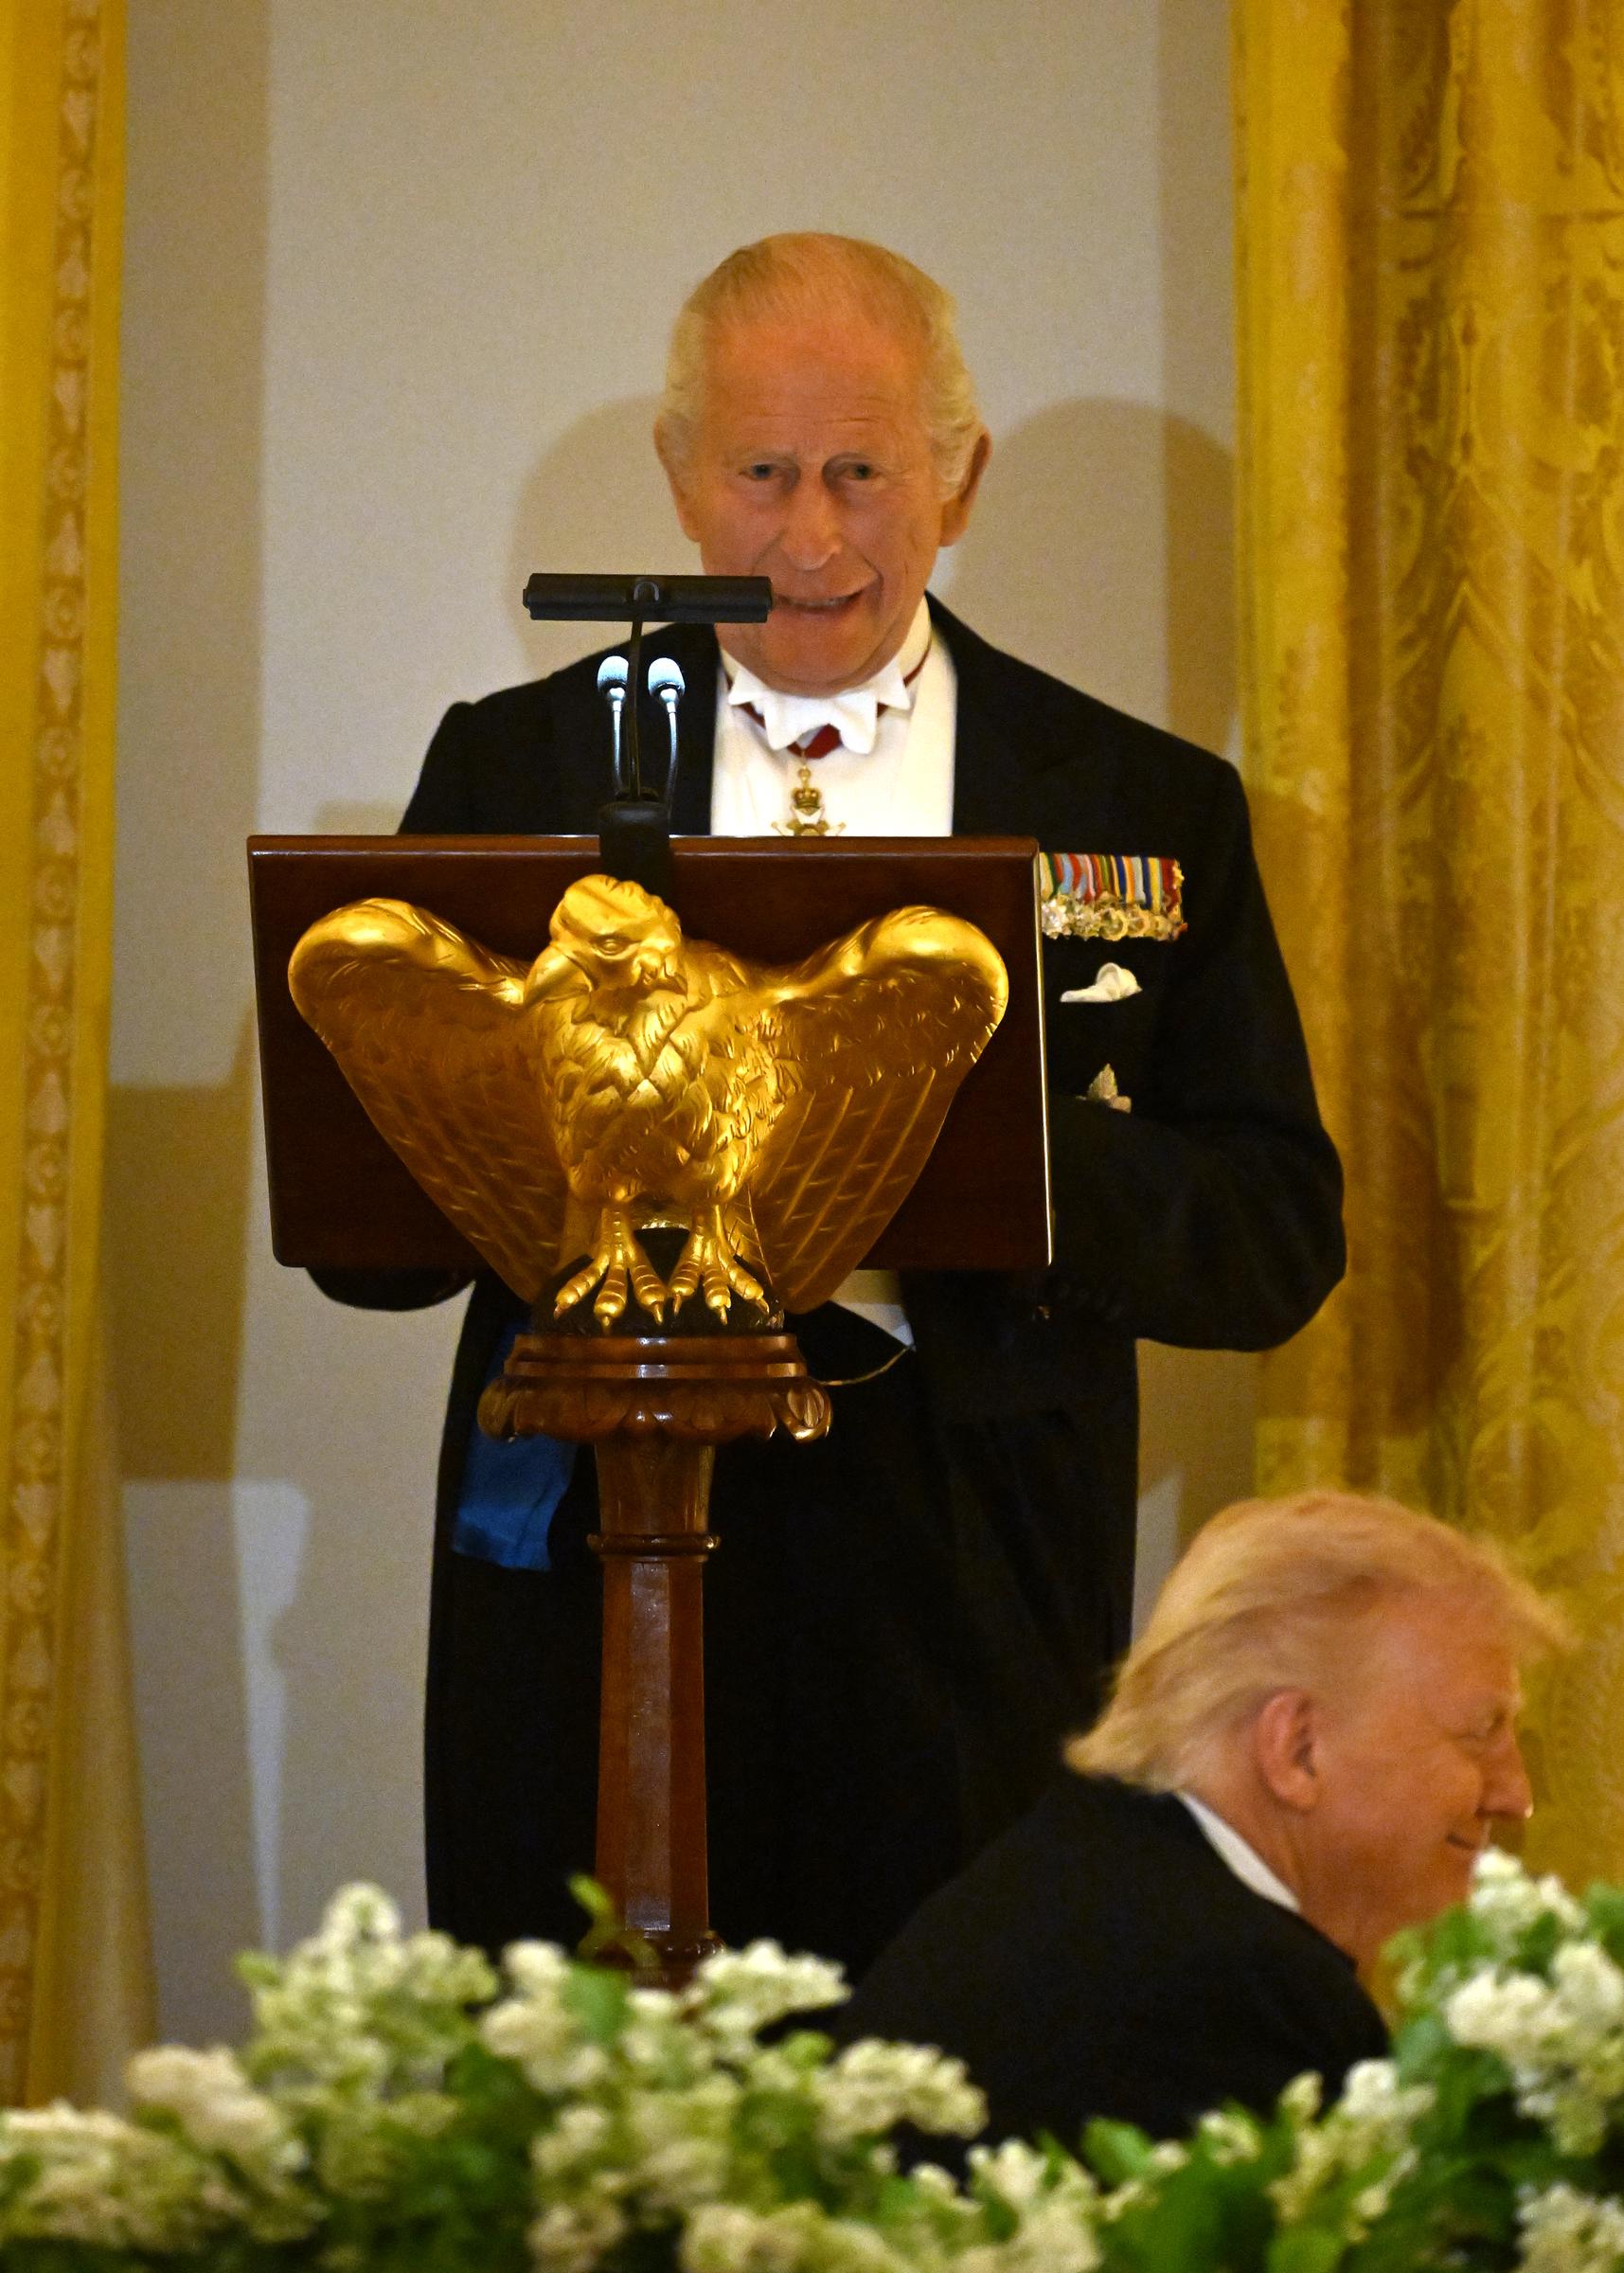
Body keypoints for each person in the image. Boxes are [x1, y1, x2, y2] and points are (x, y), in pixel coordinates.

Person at [320, 233, 1346, 1974]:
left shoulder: (1143, 797)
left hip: (964, 1553)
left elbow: (1269, 1244)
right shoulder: (518, 766)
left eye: (865, 474)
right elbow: (378, 1252)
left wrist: (1013, 1138)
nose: (812, 537)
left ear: (959, 477)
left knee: (949, 2094)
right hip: (587, 1542)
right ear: (679, 477)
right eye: (763, 473)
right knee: (587, 2122)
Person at [836, 1490, 1564, 2148]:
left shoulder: (1079, 1871)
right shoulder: (1244, 1991)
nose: (1513, 1794)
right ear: (1297, 1750)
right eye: (1479, 1732)